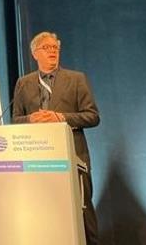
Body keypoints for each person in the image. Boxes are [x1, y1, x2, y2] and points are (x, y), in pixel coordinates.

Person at [11, 31, 101, 245]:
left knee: (83, 213)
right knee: (46, 215)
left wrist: (61, 117)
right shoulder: (23, 83)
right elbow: (15, 120)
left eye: (55, 48)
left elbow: (93, 116)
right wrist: (31, 119)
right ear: (35, 53)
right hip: (38, 161)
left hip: (73, 158)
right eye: (47, 48)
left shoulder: (76, 79)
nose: (53, 51)